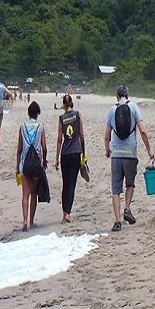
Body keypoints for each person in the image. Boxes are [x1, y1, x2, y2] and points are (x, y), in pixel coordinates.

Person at [104, 85, 155, 232]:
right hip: (130, 153)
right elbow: (143, 131)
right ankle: (127, 208)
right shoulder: (134, 108)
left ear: (116, 96)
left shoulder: (111, 110)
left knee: (115, 188)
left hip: (117, 155)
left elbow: (107, 135)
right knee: (130, 184)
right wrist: (149, 150)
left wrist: (108, 150)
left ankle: (117, 221)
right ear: (128, 95)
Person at [15, 101, 48, 231]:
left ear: (28, 113)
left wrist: (17, 167)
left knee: (25, 195)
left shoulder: (22, 126)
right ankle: (32, 221)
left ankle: (24, 221)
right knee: (34, 194)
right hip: (36, 163)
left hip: (24, 163)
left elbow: (19, 148)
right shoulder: (40, 127)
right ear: (38, 113)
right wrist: (44, 161)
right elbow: (44, 147)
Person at [54, 94, 86, 224]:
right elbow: (81, 135)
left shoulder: (61, 118)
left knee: (65, 184)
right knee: (72, 184)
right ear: (72, 103)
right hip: (75, 153)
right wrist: (84, 154)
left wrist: (56, 158)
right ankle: (68, 213)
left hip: (65, 154)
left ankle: (64, 214)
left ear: (63, 104)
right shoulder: (78, 115)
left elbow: (59, 139)